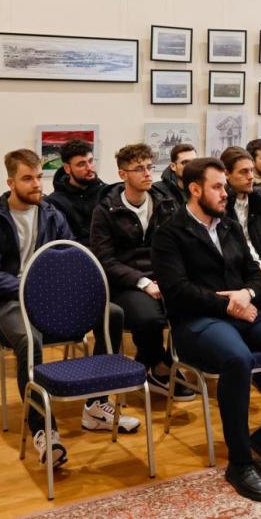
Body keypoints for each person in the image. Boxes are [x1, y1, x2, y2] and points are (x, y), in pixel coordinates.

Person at [152, 158, 261, 502]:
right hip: (198, 321)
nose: (225, 193)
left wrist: (246, 294)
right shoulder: (169, 234)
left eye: (225, 187)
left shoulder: (230, 226)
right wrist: (229, 304)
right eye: (217, 187)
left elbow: (257, 276)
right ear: (195, 189)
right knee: (238, 358)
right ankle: (240, 461)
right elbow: (178, 292)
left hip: (246, 311)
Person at [0, 149, 137, 470]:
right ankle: (43, 429)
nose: (36, 184)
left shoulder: (51, 215)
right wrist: (31, 288)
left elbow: (70, 257)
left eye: (38, 177)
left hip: (52, 297)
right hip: (9, 301)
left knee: (113, 313)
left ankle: (96, 406)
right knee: (29, 339)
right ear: (10, 182)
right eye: (27, 178)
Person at [90, 143, 192, 399]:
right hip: (125, 283)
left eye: (149, 167)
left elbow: (180, 246)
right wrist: (142, 282)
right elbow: (106, 260)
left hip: (162, 276)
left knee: (192, 305)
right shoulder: (106, 210)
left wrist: (171, 277)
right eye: (139, 169)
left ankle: (160, 362)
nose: (147, 173)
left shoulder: (166, 203)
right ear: (123, 174)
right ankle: (157, 366)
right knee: (150, 318)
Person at [221, 146, 261, 279]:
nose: (251, 177)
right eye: (243, 172)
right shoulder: (221, 206)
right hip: (241, 273)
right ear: (226, 174)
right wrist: (255, 268)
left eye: (251, 170)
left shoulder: (260, 201)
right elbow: (228, 249)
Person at [46, 139, 106, 246]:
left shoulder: (108, 193)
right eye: (81, 164)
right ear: (67, 168)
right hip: (74, 254)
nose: (89, 168)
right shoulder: (54, 202)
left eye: (91, 161)